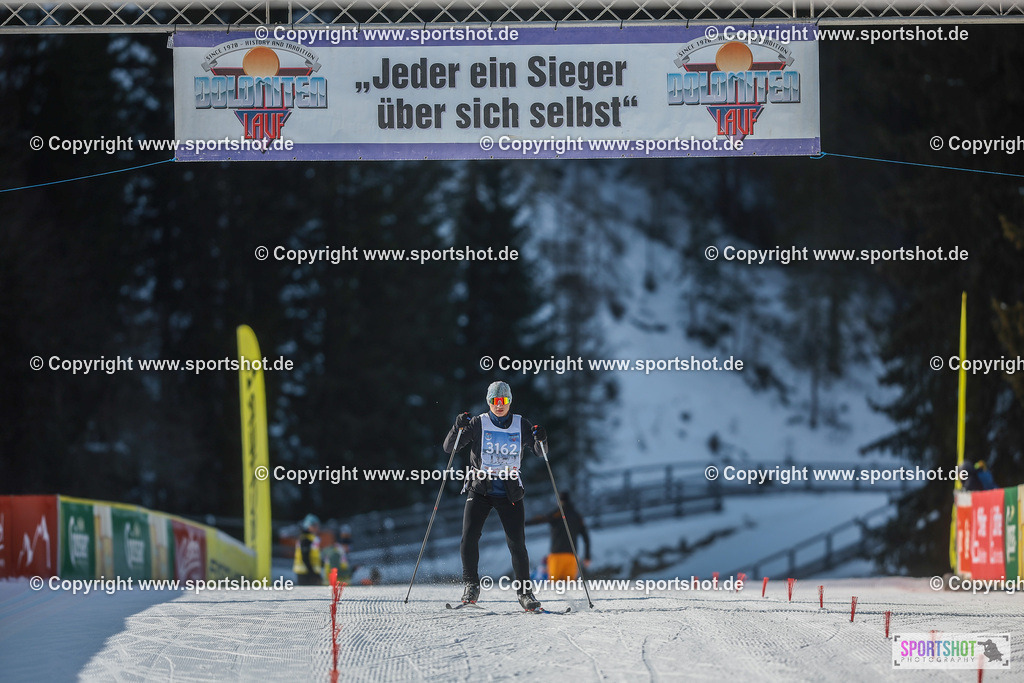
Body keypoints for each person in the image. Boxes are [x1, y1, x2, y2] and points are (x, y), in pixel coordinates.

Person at [444, 380, 548, 611]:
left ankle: (525, 594)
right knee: (468, 538)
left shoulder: (521, 424)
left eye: (504, 401)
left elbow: (541, 452)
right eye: (494, 401)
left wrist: (542, 438)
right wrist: (457, 427)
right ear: (488, 402)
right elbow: (450, 448)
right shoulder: (478, 423)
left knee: (517, 544)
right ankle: (471, 586)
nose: (499, 405)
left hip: (509, 492)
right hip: (480, 489)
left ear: (510, 401)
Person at [528, 491, 591, 581]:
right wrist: (587, 556)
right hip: (572, 556)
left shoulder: (557, 513)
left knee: (554, 587)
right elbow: (586, 538)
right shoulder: (577, 516)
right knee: (571, 587)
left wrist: (523, 523)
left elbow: (542, 519)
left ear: (559, 501)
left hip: (557, 555)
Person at [293, 514, 323, 586]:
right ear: (308, 526)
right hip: (305, 574)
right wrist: (312, 574)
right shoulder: (306, 539)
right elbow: (305, 557)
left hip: (309, 572)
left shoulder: (311, 538)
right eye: (314, 525)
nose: (317, 528)